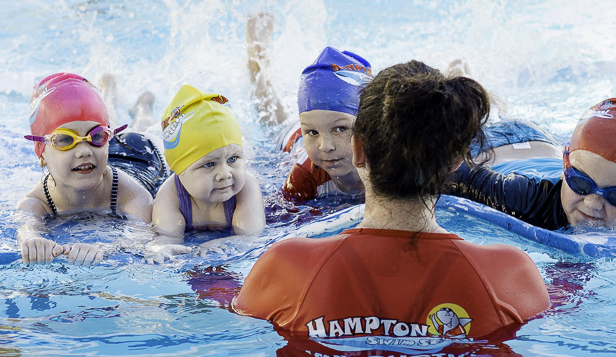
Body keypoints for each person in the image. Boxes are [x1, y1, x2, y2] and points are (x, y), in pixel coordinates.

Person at [232, 59, 551, 339]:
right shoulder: (511, 275)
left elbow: (220, 303)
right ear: (456, 163)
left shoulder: (285, 266)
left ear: (357, 151)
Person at [447, 96, 616, 230]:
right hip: (493, 144)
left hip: (552, 145)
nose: (592, 203)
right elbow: (444, 170)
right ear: (565, 167)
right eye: (580, 183)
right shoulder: (524, 200)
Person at [17, 72, 166, 264]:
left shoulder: (133, 196)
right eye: (64, 139)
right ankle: (108, 95)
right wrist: (31, 240)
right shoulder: (34, 201)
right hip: (105, 152)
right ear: (41, 151)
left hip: (140, 154)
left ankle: (142, 107)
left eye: (96, 136)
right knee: (100, 121)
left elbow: (141, 241)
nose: (84, 151)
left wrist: (104, 249)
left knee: (142, 124)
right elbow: (26, 229)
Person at [246, 12, 370, 201]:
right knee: (272, 120)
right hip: (292, 139)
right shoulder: (304, 174)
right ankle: (257, 59)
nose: (325, 146)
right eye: (312, 133)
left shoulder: (389, 164)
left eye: (340, 129)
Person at [149, 84, 266, 252]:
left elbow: (251, 237)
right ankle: (143, 108)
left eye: (233, 159)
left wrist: (221, 244)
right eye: (209, 164)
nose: (225, 174)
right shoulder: (170, 194)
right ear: (179, 169)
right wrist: (162, 250)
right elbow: (165, 240)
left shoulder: (247, 186)